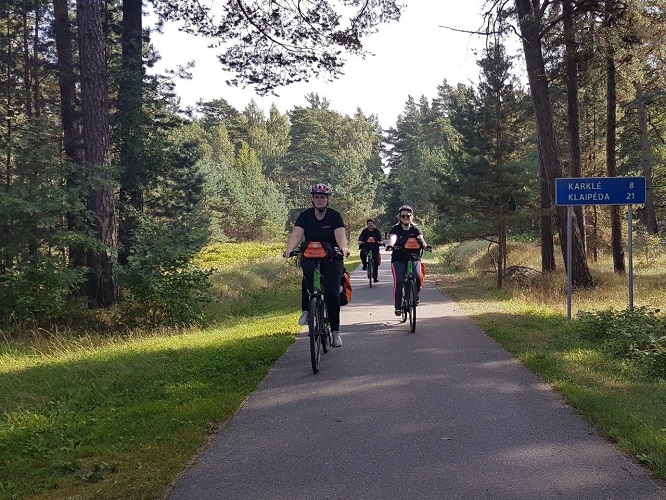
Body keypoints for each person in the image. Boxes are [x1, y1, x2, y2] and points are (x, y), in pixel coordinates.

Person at [284, 183, 349, 347]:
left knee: (332, 293)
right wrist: (289, 249)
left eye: (323, 198)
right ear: (312, 200)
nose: (320, 200)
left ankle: (335, 332)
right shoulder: (305, 216)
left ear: (327, 200)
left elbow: (340, 235)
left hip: (332, 257)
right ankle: (306, 309)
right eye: (317, 197)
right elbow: (297, 234)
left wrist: (343, 248)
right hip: (310, 254)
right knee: (308, 278)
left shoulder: (334, 216)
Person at [385, 205, 431, 316]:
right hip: (398, 259)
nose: (406, 217)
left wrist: (425, 246)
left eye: (408, 215)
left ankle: (415, 294)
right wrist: (391, 245)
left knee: (418, 278)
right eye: (403, 216)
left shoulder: (416, 228)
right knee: (399, 281)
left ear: (411, 216)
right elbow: (393, 237)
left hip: (414, 258)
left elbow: (420, 238)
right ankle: (398, 306)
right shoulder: (396, 228)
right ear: (399, 217)